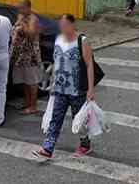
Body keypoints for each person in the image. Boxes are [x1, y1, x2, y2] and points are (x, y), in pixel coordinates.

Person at [32, 14, 95, 160]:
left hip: (77, 89)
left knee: (79, 120)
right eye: (61, 24)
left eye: (65, 24)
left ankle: (85, 145)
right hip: (60, 89)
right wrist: (52, 84)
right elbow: (56, 63)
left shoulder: (82, 41)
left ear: (73, 25)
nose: (62, 27)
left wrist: (90, 89)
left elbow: (89, 65)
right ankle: (47, 149)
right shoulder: (58, 39)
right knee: (56, 119)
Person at [11, 0, 42, 115]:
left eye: (21, 7)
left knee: (31, 81)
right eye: (19, 8)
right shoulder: (22, 17)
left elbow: (31, 35)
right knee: (24, 80)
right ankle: (27, 102)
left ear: (28, 7)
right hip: (21, 55)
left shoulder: (33, 19)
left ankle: (33, 106)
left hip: (31, 55)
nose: (19, 10)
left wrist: (22, 23)